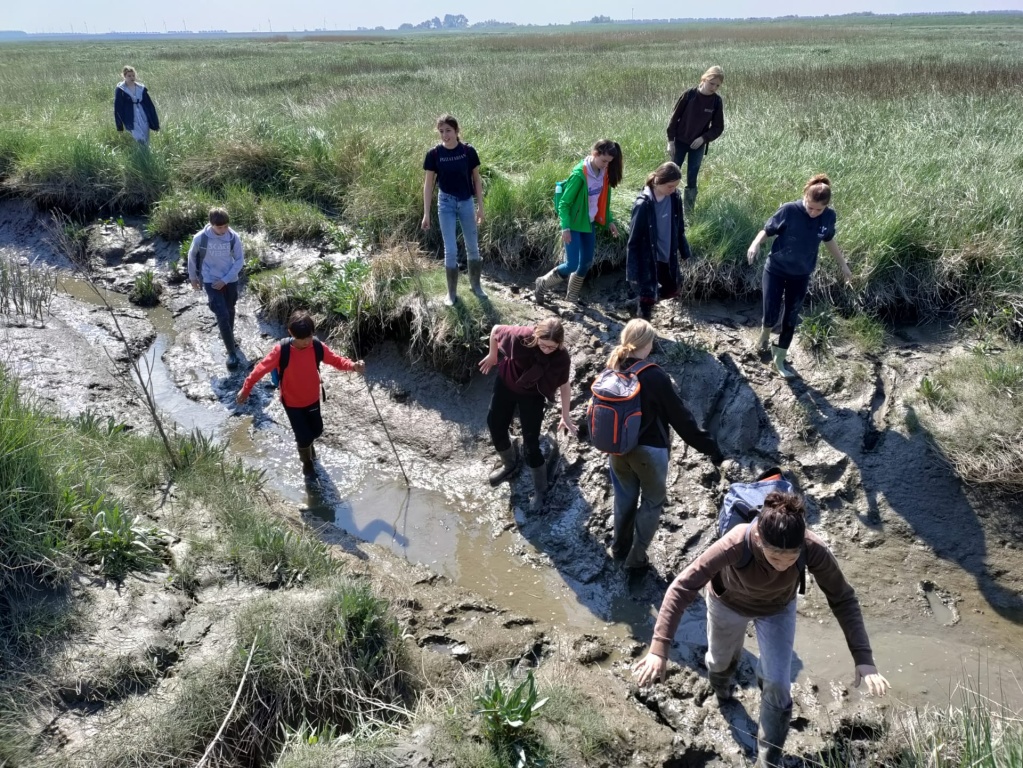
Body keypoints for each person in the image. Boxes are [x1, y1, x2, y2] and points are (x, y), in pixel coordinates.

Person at [633, 490, 890, 768]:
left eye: (790, 559)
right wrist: (659, 647)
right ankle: (722, 692)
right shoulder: (736, 542)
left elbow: (842, 597)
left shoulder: (812, 547)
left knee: (779, 684)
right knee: (719, 663)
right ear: (758, 538)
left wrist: (864, 658)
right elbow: (683, 586)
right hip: (727, 603)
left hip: (777, 609)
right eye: (774, 557)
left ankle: (769, 759)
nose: (782, 566)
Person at [604, 320, 723, 571]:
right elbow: (681, 419)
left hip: (616, 450)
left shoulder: (613, 367)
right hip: (649, 453)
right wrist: (711, 447)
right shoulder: (654, 375)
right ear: (647, 344)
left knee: (624, 498)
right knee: (651, 502)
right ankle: (635, 561)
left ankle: (618, 547)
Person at [746, 174, 853, 378]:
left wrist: (843, 265)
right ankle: (765, 336)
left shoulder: (829, 217)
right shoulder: (789, 210)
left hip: (801, 274)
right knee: (771, 311)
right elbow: (767, 230)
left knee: (791, 316)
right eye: (809, 207)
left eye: (818, 209)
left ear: (826, 207)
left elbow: (829, 240)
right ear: (804, 196)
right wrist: (755, 243)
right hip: (775, 270)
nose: (813, 212)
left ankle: (780, 358)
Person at [236, 310, 365, 477]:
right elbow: (259, 371)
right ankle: (307, 462)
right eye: (302, 338)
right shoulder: (281, 351)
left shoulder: (317, 346)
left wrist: (353, 366)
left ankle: (308, 446)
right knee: (303, 436)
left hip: (312, 399)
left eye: (309, 337)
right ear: (291, 333)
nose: (306, 342)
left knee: (316, 431)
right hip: (291, 402)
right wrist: (246, 389)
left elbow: (335, 360)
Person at [478, 318, 577, 513]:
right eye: (542, 345)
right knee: (495, 424)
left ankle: (540, 490)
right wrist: (492, 354)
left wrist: (565, 415)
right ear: (535, 337)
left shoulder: (561, 358)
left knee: (531, 444)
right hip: (506, 383)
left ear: (560, 343)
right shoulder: (520, 336)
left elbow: (565, 386)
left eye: (552, 347)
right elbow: (496, 329)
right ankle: (510, 464)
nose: (546, 350)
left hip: (533, 395)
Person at [534, 140, 623, 305]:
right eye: (604, 161)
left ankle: (572, 297)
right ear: (594, 153)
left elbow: (602, 201)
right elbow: (564, 204)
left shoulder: (604, 174)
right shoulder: (579, 175)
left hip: (589, 223)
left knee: (586, 263)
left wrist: (609, 220)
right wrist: (565, 227)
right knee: (572, 264)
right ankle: (542, 283)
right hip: (573, 225)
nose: (606, 166)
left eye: (609, 162)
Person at [421, 114, 486, 305]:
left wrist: (480, 208)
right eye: (441, 131)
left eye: (448, 131)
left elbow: (476, 180)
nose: (445, 135)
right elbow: (428, 185)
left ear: (457, 131)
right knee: (450, 250)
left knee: (473, 246)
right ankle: (451, 294)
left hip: (466, 202)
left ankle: (476, 286)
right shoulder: (434, 154)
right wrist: (426, 213)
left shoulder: (468, 151)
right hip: (445, 203)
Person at [626, 162, 691, 320]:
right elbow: (633, 241)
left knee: (671, 290)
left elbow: (679, 227)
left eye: (675, 186)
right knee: (647, 298)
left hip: (667, 255)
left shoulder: (675, 197)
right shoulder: (643, 204)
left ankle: (635, 303)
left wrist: (685, 251)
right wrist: (632, 272)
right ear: (658, 181)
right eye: (670, 186)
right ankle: (644, 334)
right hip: (648, 258)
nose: (673, 189)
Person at [187, 208, 246, 370]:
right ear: (211, 224)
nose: (223, 230)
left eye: (226, 226)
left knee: (230, 309)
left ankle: (229, 337)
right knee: (222, 313)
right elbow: (191, 257)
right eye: (219, 227)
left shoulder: (234, 237)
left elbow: (239, 260)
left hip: (230, 280)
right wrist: (193, 277)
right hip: (210, 280)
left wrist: (225, 280)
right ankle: (231, 353)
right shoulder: (201, 238)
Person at [665, 65, 724, 215]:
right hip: (679, 141)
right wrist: (670, 141)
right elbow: (674, 118)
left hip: (697, 145)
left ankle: (688, 212)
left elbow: (718, 127)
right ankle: (665, 204)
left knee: (692, 176)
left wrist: (704, 138)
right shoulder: (689, 95)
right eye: (712, 83)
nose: (714, 88)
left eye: (717, 85)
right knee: (671, 172)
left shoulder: (716, 102)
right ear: (704, 79)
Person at [114, 66, 160, 145]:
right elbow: (118, 108)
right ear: (124, 76)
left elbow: (150, 105)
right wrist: (119, 126)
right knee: (139, 138)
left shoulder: (141, 88)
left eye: (133, 75)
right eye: (129, 76)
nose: (132, 77)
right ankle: (141, 152)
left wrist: (155, 123)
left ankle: (146, 155)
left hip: (143, 115)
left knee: (146, 136)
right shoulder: (120, 89)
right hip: (130, 117)